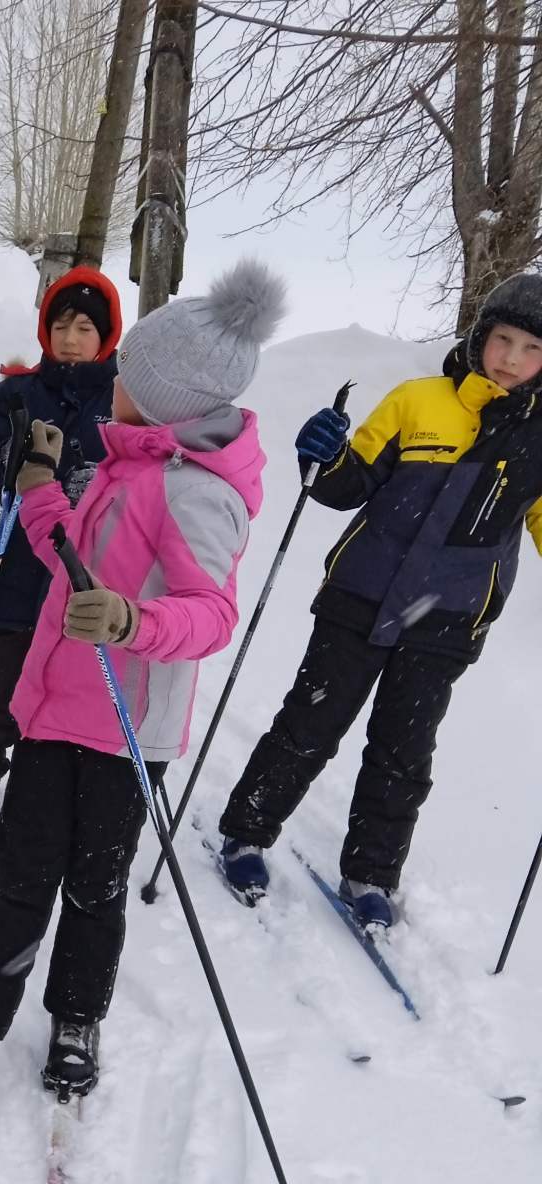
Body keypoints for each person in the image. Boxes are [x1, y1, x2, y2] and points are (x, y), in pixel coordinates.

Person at [0, 261, 285, 1115]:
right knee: (18, 882)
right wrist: (42, 491)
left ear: (167, 402)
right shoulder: (125, 466)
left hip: (126, 734)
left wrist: (133, 623)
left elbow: (209, 616)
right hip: (54, 714)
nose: (112, 381)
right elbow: (69, 560)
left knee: (95, 890)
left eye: (129, 377)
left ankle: (76, 1019)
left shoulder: (198, 493)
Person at [218, 273, 542, 929]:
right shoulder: (418, 401)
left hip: (447, 623)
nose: (511, 358)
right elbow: (347, 485)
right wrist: (323, 458)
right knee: (309, 725)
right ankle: (246, 831)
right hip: (360, 598)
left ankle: (371, 873)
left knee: (403, 750)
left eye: (531, 348)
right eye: (503, 339)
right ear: (481, 337)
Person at [0, 267, 121, 828]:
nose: (71, 337)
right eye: (61, 323)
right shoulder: (16, 392)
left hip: (83, 574)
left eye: (86, 327)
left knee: (66, 686)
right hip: (14, 568)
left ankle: (45, 784)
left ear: (107, 336)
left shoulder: (122, 400)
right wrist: (8, 460)